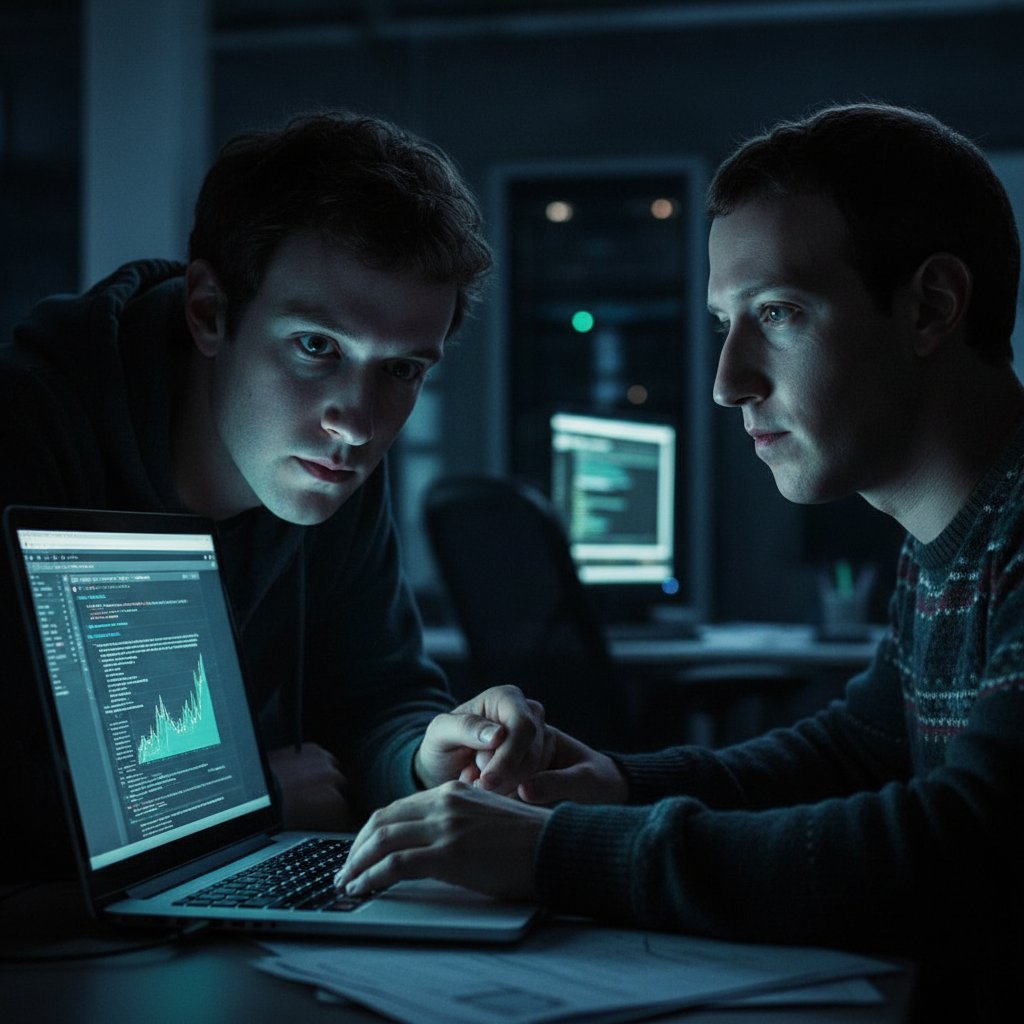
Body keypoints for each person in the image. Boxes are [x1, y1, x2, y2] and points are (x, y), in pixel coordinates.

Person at [333, 103, 1024, 1021]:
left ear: (931, 306)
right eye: (725, 323)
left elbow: (968, 849)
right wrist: (614, 784)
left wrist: (557, 852)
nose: (728, 380)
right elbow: (861, 749)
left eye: (778, 313)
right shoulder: (952, 538)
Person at [0, 109, 548, 878]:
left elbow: (374, 698)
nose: (356, 422)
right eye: (316, 347)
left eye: (402, 369)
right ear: (209, 311)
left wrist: (422, 758)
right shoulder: (26, 438)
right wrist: (244, 795)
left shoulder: (325, 458)